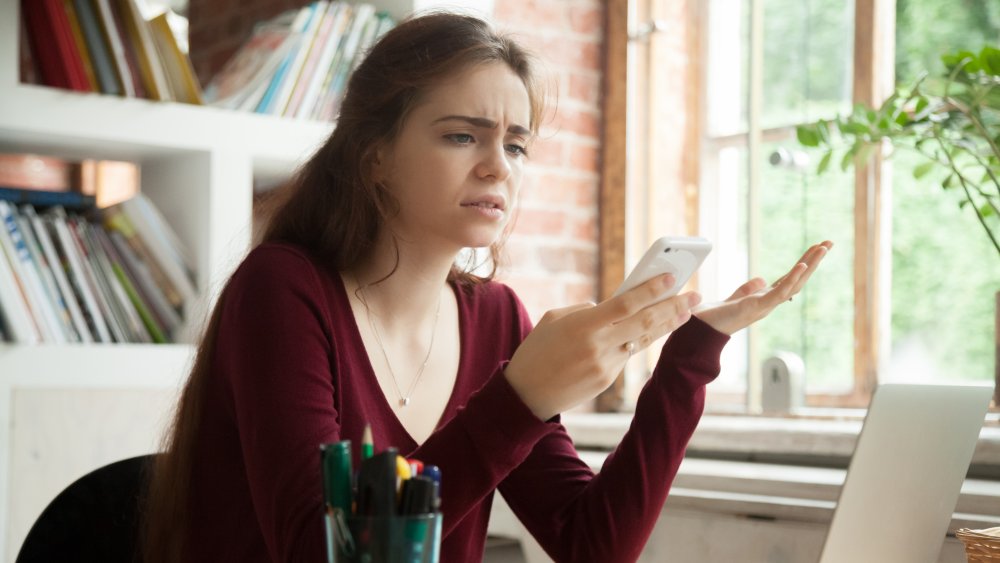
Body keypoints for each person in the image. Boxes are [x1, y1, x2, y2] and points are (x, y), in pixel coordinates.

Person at [142, 11, 831, 563]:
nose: (499, 167)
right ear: (375, 156)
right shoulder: (283, 290)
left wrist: (689, 359)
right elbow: (321, 550)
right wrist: (520, 398)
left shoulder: (496, 317)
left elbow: (590, 542)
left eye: (517, 145)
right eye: (463, 137)